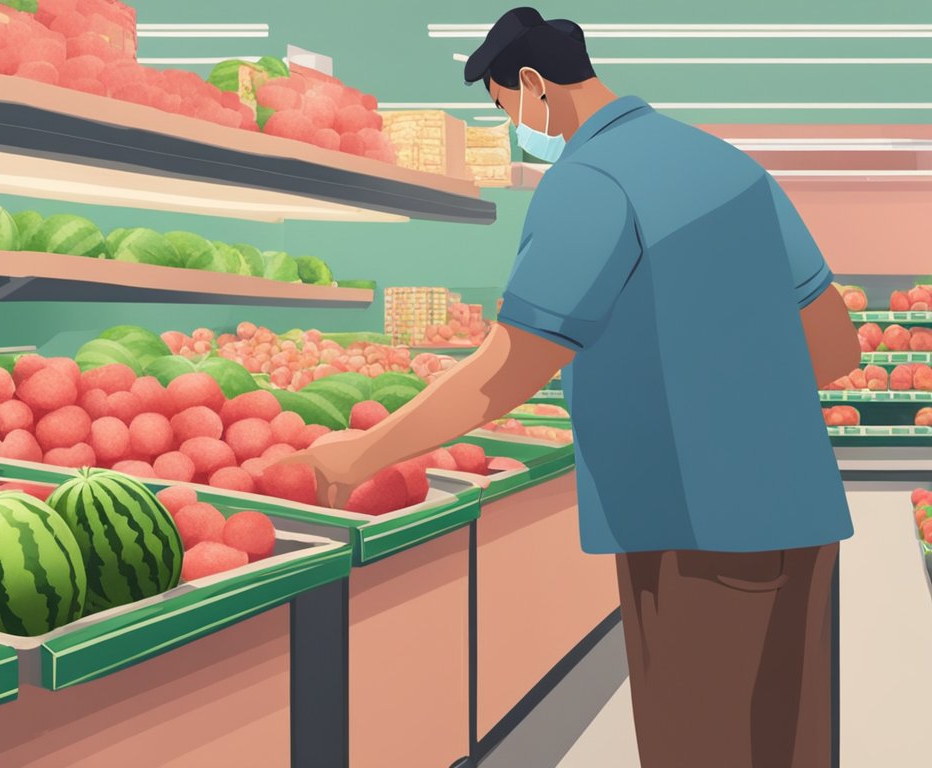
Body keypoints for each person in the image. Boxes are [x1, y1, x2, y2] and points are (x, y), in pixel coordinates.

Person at [283, 7, 857, 767]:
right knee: (792, 749)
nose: (517, 125)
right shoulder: (729, 166)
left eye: (503, 107)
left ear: (531, 85)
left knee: (701, 745)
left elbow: (509, 370)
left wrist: (359, 456)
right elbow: (834, 343)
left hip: (693, 532)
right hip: (802, 517)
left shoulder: (590, 182)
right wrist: (726, 395)